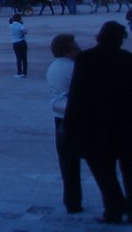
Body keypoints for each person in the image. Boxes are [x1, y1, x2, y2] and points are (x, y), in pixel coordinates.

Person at [65, 21, 132, 224]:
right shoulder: (127, 59)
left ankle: (114, 209)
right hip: (125, 125)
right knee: (129, 171)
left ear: (99, 37)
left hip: (97, 125)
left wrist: (68, 125)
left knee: (104, 171)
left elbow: (76, 95)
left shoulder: (86, 59)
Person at [47, 33, 83, 214]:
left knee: (67, 162)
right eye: (74, 45)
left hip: (58, 115)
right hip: (75, 116)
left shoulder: (53, 67)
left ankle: (71, 200)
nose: (78, 48)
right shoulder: (74, 68)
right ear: (67, 49)